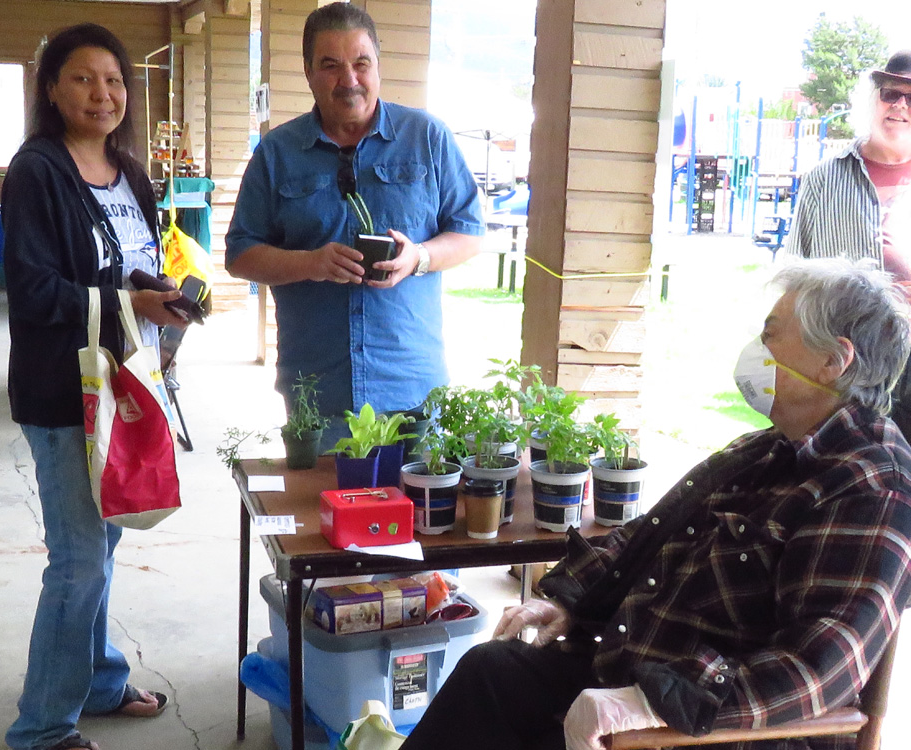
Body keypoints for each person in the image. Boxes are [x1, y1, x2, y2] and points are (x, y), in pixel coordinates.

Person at [401, 260, 911, 750]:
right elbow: (646, 535)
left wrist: (648, 705)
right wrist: (566, 599)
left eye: (773, 333)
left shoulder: (869, 490)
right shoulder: (761, 450)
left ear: (833, 360)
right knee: (491, 671)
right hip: (625, 671)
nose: (759, 348)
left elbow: (817, 669)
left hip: (703, 729)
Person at [1, 23, 186, 750]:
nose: (101, 93)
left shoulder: (129, 171)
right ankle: (42, 728)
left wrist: (161, 298)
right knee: (78, 563)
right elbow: (33, 291)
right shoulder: (37, 171)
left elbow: (129, 263)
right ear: (52, 89)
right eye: (82, 78)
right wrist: (126, 303)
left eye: (113, 80)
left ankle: (100, 681)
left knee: (103, 548)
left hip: (124, 387)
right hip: (62, 393)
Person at [224, 2, 484, 444]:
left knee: (421, 512)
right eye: (330, 66)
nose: (349, 80)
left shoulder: (427, 137)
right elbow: (240, 254)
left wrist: (418, 257)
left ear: (377, 66)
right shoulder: (276, 152)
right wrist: (311, 264)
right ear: (308, 72)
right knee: (322, 513)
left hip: (412, 387)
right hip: (317, 390)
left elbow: (469, 233)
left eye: (361, 63)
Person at [787, 50, 911, 433]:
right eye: (891, 94)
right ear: (871, 99)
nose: (901, 106)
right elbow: (796, 273)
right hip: (844, 359)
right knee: (844, 473)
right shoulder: (825, 178)